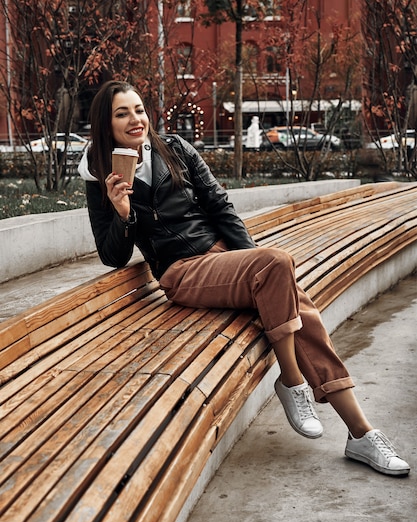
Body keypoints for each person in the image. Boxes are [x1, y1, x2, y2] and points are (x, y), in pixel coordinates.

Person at [78, 80, 410, 477]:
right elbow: (112, 256)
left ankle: (361, 432)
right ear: (106, 124)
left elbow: (220, 205)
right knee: (278, 269)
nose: (136, 119)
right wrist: (122, 210)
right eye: (122, 113)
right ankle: (291, 379)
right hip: (181, 271)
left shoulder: (177, 149)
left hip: (227, 257)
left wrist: (254, 259)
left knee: (300, 307)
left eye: (139, 109)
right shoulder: (98, 176)